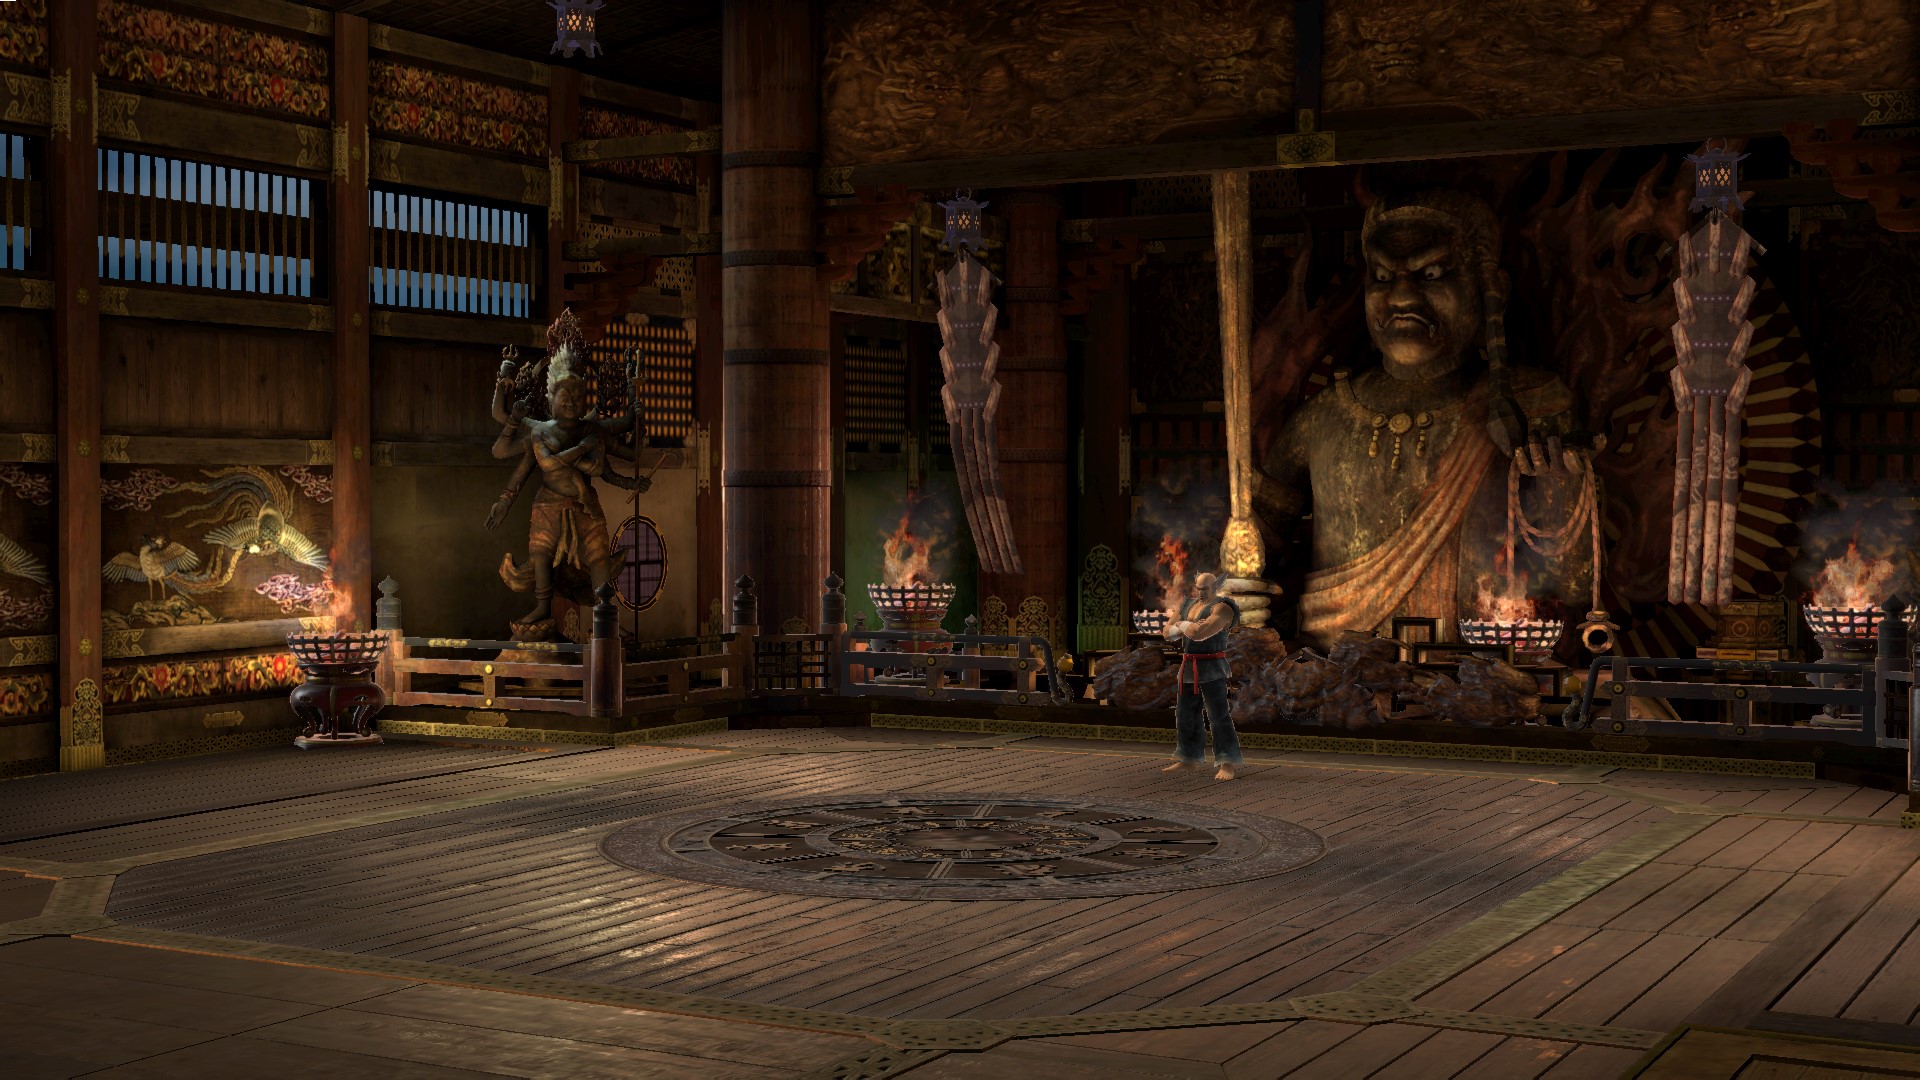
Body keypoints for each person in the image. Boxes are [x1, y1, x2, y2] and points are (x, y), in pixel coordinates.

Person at [1161, 572, 1245, 780]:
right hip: (1189, 666)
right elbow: (1166, 633)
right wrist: (1188, 626)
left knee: (1218, 715)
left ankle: (1227, 763)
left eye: (1205, 588)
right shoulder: (1187, 605)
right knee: (1185, 713)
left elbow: (1200, 634)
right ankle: (1188, 758)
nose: (1200, 592)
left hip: (1212, 667)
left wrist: (1181, 626)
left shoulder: (1223, 608)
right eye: (1198, 588)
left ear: (1215, 586)